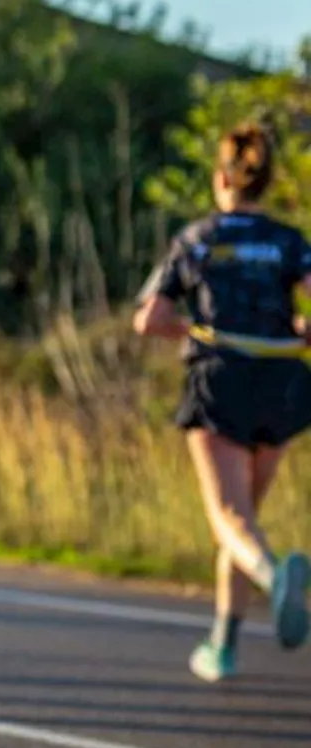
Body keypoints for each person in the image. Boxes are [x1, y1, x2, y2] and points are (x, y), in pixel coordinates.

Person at [133, 122, 311, 683]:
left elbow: (150, 319)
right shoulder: (289, 242)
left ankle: (274, 575)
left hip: (221, 376)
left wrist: (189, 327)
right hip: (283, 379)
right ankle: (222, 645)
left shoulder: (198, 238)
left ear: (221, 177)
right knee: (245, 518)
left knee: (230, 517)